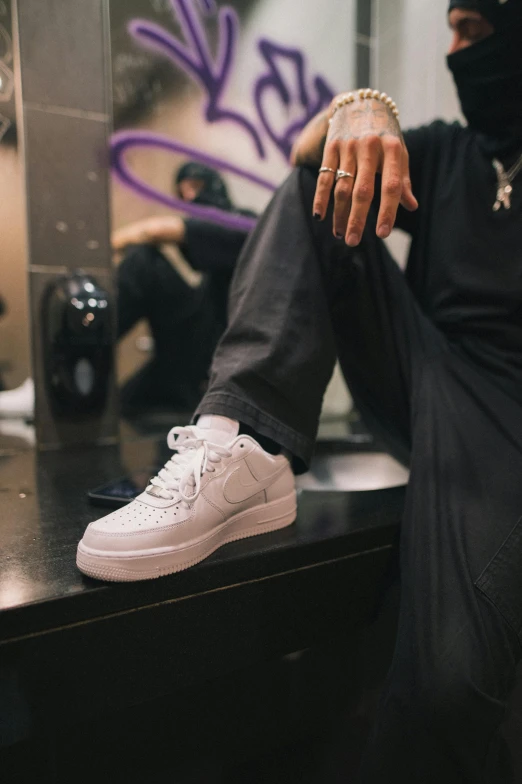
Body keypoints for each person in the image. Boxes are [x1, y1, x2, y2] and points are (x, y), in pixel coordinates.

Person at [77, 1, 522, 780]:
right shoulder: (450, 153)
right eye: (448, 27)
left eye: (475, 32)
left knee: (454, 683)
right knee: (325, 178)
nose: (455, 49)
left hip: (504, 411)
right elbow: (305, 153)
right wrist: (363, 107)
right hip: (422, 364)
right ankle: (238, 441)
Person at [115, 162, 256, 414]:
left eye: (196, 187)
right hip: (198, 343)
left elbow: (156, 231)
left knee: (141, 262)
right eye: (182, 193)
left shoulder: (245, 224)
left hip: (225, 356)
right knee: (125, 400)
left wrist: (109, 243)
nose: (189, 198)